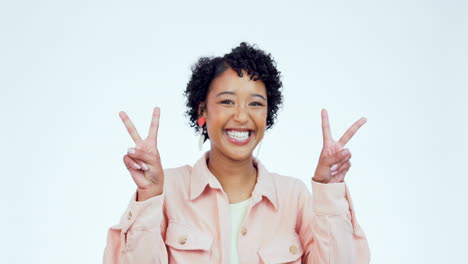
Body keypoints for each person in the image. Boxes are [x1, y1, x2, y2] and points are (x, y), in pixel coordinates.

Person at [103, 42, 370, 263]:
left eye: (255, 103)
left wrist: (329, 191)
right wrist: (149, 196)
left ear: (268, 114)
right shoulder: (167, 190)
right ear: (202, 111)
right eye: (227, 101)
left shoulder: (294, 197)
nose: (241, 116)